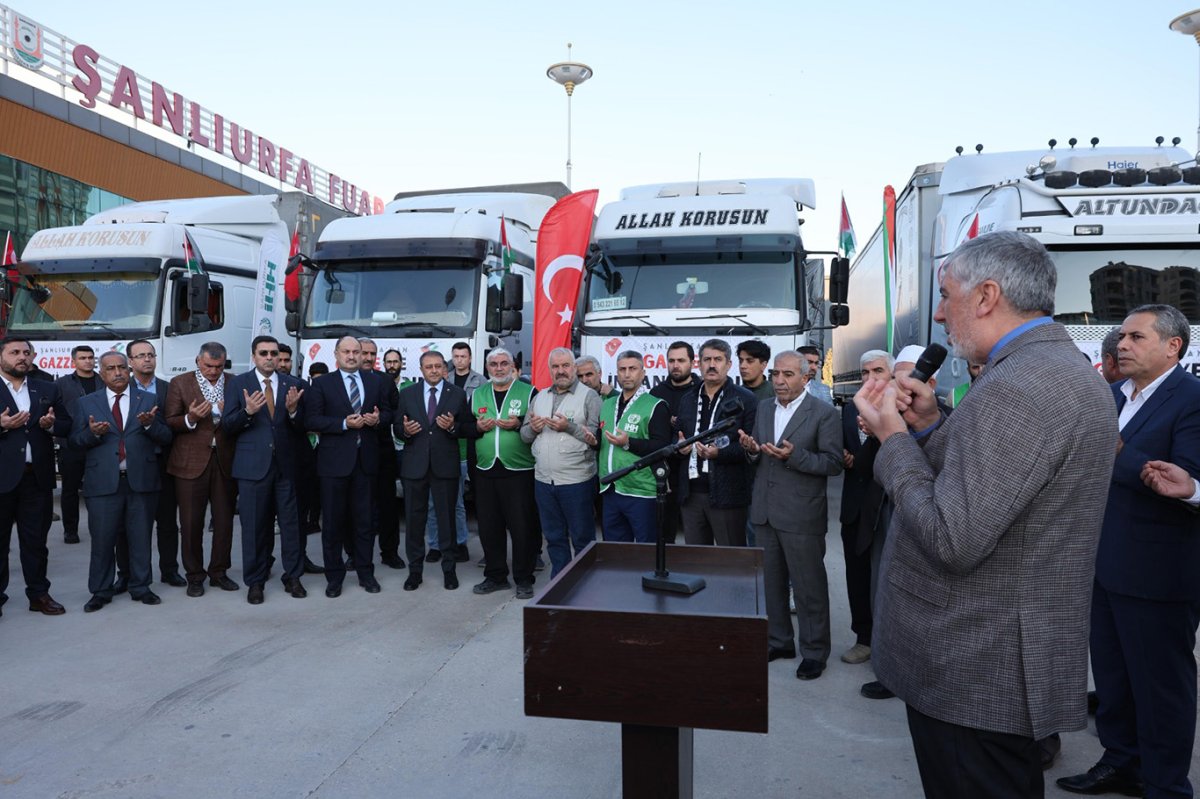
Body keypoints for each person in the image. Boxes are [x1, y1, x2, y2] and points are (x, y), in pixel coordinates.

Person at [853, 231, 1117, 798]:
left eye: (947, 295)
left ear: (987, 295)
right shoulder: (1044, 367)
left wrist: (893, 439)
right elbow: (998, 485)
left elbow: (953, 536)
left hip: (976, 665)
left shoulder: (1020, 386)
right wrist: (927, 428)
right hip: (990, 661)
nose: (942, 313)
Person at [1058, 304, 1200, 799]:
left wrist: (1121, 453)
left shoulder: (1192, 400)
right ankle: (1122, 763)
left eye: (1136, 337)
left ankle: (1165, 785)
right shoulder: (1112, 394)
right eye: (1121, 336)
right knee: (1115, 682)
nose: (1121, 344)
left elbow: (1186, 479)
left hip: (1158, 575)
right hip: (1101, 566)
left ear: (1172, 346)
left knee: (1160, 688)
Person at [741, 350, 842, 680]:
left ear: (805, 377)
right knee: (770, 584)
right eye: (776, 375)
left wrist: (795, 456)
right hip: (766, 511)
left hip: (801, 514)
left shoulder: (823, 414)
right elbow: (759, 452)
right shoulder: (765, 407)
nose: (780, 381)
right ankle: (780, 641)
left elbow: (832, 463)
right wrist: (752, 450)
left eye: (787, 375)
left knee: (808, 587)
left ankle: (814, 651)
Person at [70, 351, 174, 612]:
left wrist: (151, 426)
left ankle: (141, 587)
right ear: (101, 373)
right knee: (103, 541)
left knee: (140, 537)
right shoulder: (87, 403)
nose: (117, 373)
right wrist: (92, 434)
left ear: (129, 371)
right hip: (103, 483)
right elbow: (74, 442)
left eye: (122, 368)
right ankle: (101, 591)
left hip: (141, 481)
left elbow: (166, 437)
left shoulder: (148, 400)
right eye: (110, 369)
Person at [223, 336, 310, 603]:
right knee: (254, 528)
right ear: (254, 356)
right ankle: (255, 582)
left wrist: (294, 412)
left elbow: (303, 428)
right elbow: (228, 425)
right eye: (264, 353)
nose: (270, 357)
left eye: (274, 353)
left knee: (291, 526)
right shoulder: (239, 384)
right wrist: (247, 412)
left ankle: (293, 577)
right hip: (252, 469)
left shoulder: (293, 385)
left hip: (286, 467)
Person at [305, 336, 393, 597]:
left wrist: (378, 419)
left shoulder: (376, 381)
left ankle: (366, 573)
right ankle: (334, 577)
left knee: (365, 522)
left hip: (366, 463)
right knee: (332, 523)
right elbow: (311, 419)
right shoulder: (322, 384)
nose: (353, 356)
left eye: (357, 351)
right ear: (337, 354)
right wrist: (344, 424)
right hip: (333, 464)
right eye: (347, 351)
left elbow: (389, 412)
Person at [0, 336, 71, 617]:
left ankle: (39, 594)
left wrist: (52, 425)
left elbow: (66, 424)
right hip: (2, 479)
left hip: (36, 480)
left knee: (36, 543)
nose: (22, 357)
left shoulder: (47, 388)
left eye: (26, 352)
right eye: (15, 352)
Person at [164, 342, 238, 597]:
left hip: (225, 461)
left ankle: (219, 572)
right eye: (208, 366)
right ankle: (194, 576)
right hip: (190, 463)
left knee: (224, 521)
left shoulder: (234, 382)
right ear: (198, 361)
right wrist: (191, 418)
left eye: (218, 366)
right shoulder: (180, 383)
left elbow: (240, 418)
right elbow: (170, 421)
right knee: (191, 522)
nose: (214, 371)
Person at [396, 351, 472, 591]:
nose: (434, 370)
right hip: (414, 467)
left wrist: (452, 428)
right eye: (429, 367)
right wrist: (405, 430)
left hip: (445, 466)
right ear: (421, 369)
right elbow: (397, 426)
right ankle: (415, 572)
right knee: (415, 522)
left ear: (444, 369)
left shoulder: (457, 394)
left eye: (438, 366)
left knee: (446, 519)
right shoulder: (408, 393)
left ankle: (449, 571)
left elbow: (468, 427)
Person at [522, 348, 600, 577]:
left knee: (582, 538)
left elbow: (596, 439)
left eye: (565, 365)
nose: (561, 371)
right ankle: (560, 585)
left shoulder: (589, 397)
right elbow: (524, 436)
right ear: (549, 370)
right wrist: (533, 429)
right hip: (544, 481)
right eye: (555, 367)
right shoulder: (539, 397)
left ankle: (587, 585)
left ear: (574, 368)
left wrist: (569, 427)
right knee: (554, 537)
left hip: (577, 481)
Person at [468, 348, 539, 599]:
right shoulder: (477, 394)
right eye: (494, 364)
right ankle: (496, 576)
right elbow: (466, 427)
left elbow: (537, 425)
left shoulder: (529, 392)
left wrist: (519, 422)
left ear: (513, 366)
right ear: (487, 368)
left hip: (518, 469)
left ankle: (523, 578)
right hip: (486, 469)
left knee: (522, 527)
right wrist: (476, 426)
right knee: (489, 527)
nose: (499, 368)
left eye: (504, 363)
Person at [839, 349, 894, 668]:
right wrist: (848, 459)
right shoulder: (848, 410)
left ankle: (889, 645)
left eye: (877, 371)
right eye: (864, 373)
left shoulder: (900, 407)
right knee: (857, 576)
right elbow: (843, 452)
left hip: (887, 507)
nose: (870, 378)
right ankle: (863, 638)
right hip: (855, 507)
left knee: (885, 578)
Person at [674, 339, 757, 547]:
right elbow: (677, 436)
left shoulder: (745, 399)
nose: (712, 365)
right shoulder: (688, 398)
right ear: (698, 364)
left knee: (731, 561)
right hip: (691, 495)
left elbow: (751, 448)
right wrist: (680, 447)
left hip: (728, 495)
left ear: (729, 365)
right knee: (698, 559)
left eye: (718, 359)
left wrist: (719, 454)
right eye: (707, 359)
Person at [126, 339, 183, 587]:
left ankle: (170, 570)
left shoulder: (169, 389)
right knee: (131, 525)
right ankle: (127, 575)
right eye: (140, 356)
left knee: (168, 522)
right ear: (130, 361)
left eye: (150, 355)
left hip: (165, 463)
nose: (147, 359)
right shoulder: (121, 388)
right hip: (133, 464)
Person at [597, 351, 670, 542]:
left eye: (632, 369)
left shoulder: (655, 405)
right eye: (622, 369)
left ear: (643, 373)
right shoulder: (608, 403)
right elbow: (603, 441)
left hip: (640, 490)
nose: (627, 374)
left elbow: (662, 446)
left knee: (646, 550)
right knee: (617, 552)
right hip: (610, 487)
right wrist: (592, 441)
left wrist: (629, 443)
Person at [426, 342, 482, 564]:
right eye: (455, 356)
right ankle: (435, 545)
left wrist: (453, 425)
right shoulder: (441, 381)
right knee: (432, 502)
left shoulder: (479, 382)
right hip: (437, 452)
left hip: (461, 452)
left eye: (463, 356)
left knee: (457, 503)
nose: (459, 360)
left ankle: (460, 543)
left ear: (469, 358)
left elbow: (473, 420)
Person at [360, 338, 404, 570]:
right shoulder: (339, 380)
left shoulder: (385, 381)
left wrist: (380, 419)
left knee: (388, 506)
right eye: (363, 352)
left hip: (382, 451)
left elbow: (395, 413)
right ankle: (354, 554)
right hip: (353, 454)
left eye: (372, 353)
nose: (367, 357)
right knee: (357, 507)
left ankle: (390, 552)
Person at [649, 342, 700, 543]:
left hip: (694, 470)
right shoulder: (656, 393)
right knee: (665, 528)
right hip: (665, 470)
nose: (675, 365)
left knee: (696, 530)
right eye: (671, 361)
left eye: (681, 360)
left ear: (692, 362)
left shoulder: (702, 390)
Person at [55, 344, 99, 544]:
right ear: (74, 361)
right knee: (70, 490)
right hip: (71, 444)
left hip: (98, 442)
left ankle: (100, 528)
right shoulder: (62, 383)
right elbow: (55, 410)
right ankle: (70, 530)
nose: (88, 361)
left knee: (97, 489)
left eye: (90, 357)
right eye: (83, 358)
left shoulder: (103, 381)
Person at [377, 348, 410, 568]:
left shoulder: (410, 388)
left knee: (406, 496)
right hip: (381, 449)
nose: (391, 365)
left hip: (405, 448)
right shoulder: (376, 383)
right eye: (388, 361)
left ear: (401, 363)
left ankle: (392, 551)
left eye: (395, 361)